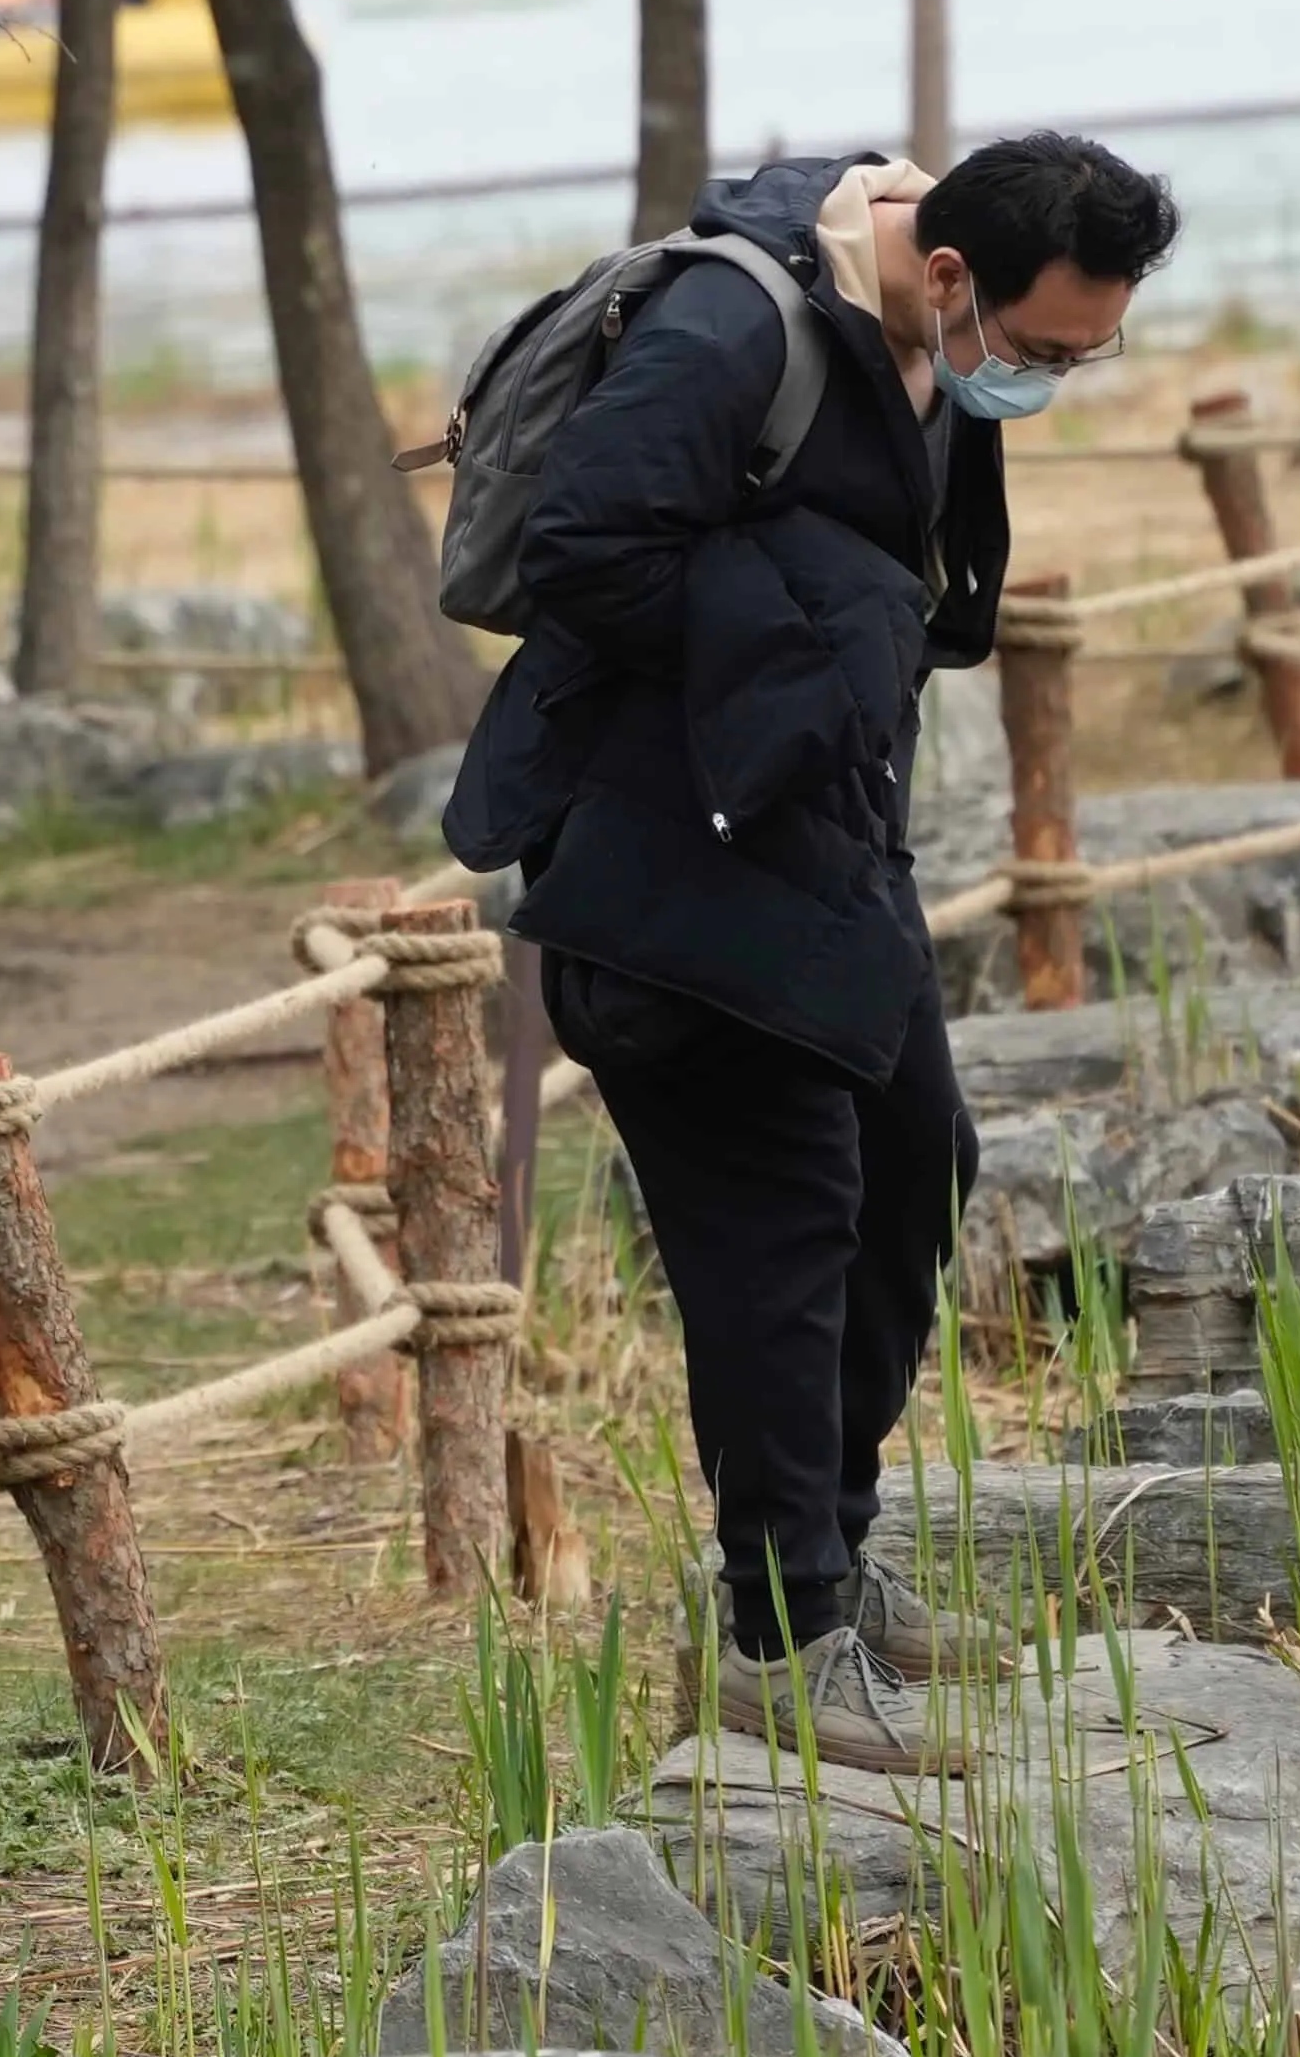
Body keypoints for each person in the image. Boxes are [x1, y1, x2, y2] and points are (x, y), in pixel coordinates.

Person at [441, 130, 1177, 1775]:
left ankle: (822, 1564)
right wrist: (785, 648)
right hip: (670, 869)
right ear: (941, 277)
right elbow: (580, 558)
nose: (1049, 379)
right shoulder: (731, 332)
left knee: (919, 1165)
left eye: (1085, 351)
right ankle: (782, 1637)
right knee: (778, 1228)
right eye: (1041, 348)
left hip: (822, 848)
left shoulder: (920, 335)